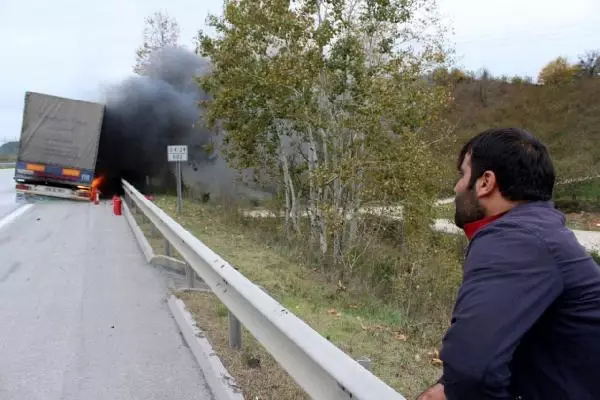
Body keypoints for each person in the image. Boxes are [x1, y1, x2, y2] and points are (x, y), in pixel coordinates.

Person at [418, 128, 600, 400]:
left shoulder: (515, 239)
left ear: (485, 182)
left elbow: (473, 370)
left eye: (462, 175)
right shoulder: (538, 232)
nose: (457, 187)